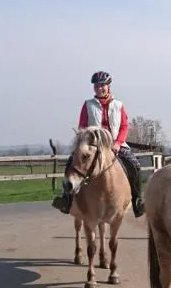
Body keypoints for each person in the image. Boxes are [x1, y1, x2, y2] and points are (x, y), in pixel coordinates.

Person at [52, 70, 145, 217]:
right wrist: (86, 142)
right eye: (96, 86)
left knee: (135, 165)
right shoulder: (88, 104)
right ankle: (66, 199)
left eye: (102, 85)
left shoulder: (118, 105)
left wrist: (118, 143)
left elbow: (124, 126)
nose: (99, 88)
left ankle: (138, 200)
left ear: (109, 86)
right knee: (72, 162)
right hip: (93, 145)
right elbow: (82, 125)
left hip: (115, 145)